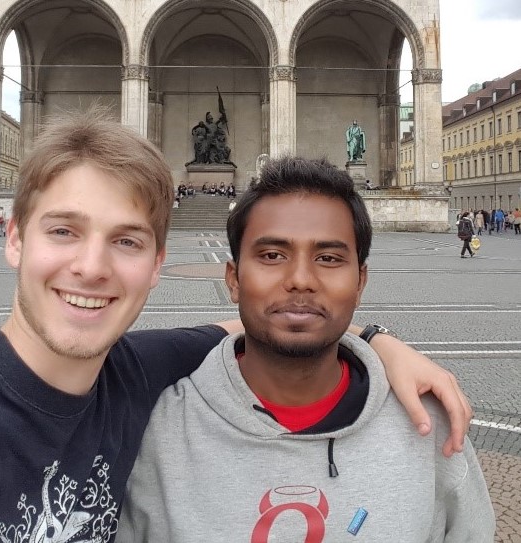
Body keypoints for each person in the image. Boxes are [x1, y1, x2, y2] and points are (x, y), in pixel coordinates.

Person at [0, 113, 471, 543]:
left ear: (155, 264)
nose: (92, 266)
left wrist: (373, 340)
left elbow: (274, 317)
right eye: (64, 230)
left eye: (125, 241)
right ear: (14, 238)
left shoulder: (135, 375)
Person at [117, 157, 494, 542]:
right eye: (272, 256)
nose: (300, 280)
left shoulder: (434, 428)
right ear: (233, 279)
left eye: (328, 258)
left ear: (360, 282)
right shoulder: (155, 430)